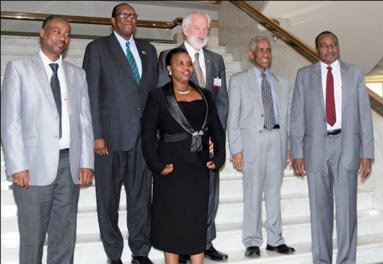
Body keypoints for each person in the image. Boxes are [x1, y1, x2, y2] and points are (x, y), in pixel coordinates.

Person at [1, 15, 94, 264]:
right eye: (56, 31)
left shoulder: (77, 74)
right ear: (42, 33)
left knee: (64, 237)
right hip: (32, 167)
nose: (62, 38)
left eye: (67, 34)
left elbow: (85, 122)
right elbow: (10, 121)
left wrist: (86, 162)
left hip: (69, 166)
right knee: (32, 237)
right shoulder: (19, 68)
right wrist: (17, 165)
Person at [82, 3, 158, 264]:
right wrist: (96, 135)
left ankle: (140, 251)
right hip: (110, 139)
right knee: (108, 201)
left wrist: (155, 131)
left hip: (142, 139)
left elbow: (154, 96)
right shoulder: (97, 49)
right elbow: (90, 94)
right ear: (112, 21)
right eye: (124, 15)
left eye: (133, 15)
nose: (129, 19)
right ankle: (113, 255)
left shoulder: (149, 49)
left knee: (141, 200)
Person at [290, 31, 374, 264]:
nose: (329, 49)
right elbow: (297, 115)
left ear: (339, 47)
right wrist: (297, 151)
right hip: (315, 148)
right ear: (317, 50)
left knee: (347, 212)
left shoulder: (354, 73)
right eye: (324, 46)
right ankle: (322, 261)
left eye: (333, 44)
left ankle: (347, 260)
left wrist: (367, 152)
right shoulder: (304, 76)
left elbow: (364, 115)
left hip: (347, 146)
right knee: (320, 212)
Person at [157, 10, 229, 263]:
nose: (202, 33)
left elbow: (221, 102)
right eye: (197, 28)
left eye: (205, 29)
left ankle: (204, 241)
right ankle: (183, 246)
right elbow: (163, 100)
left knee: (209, 195)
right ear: (185, 30)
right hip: (180, 145)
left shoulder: (216, 60)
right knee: (180, 200)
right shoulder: (169, 57)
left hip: (207, 143)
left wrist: (215, 137)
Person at [142, 47, 226, 264]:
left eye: (189, 63)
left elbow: (216, 129)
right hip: (171, 168)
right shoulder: (158, 96)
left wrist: (218, 158)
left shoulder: (205, 94)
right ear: (169, 69)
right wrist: (157, 165)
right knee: (172, 220)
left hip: (198, 167)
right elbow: (148, 135)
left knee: (196, 220)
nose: (186, 67)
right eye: (180, 63)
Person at [227, 36, 295, 258]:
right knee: (253, 194)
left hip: (277, 141)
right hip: (251, 144)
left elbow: (288, 117)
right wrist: (236, 149)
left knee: (274, 194)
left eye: (268, 50)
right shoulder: (238, 81)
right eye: (261, 50)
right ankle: (252, 241)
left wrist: (288, 145)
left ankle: (275, 239)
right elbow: (233, 118)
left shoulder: (282, 83)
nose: (266, 54)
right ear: (251, 54)